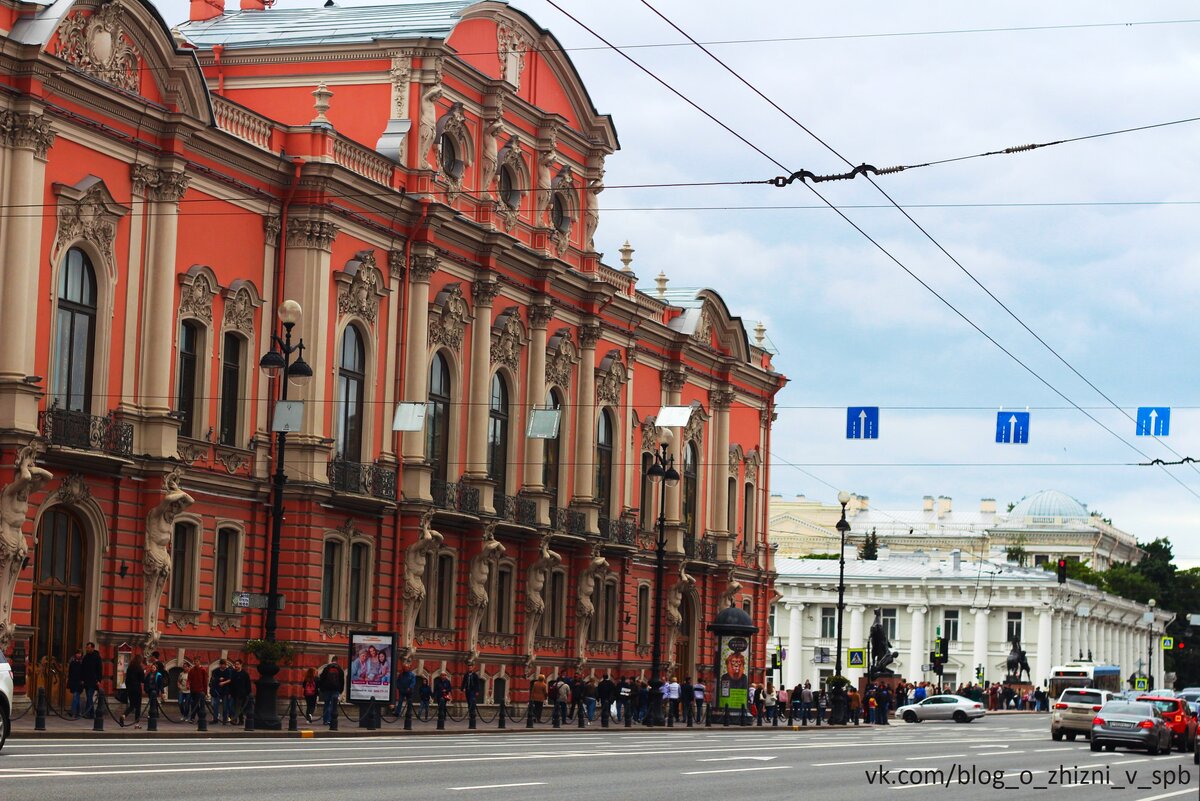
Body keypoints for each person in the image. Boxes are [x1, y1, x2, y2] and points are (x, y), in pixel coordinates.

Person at [318, 657, 345, 726]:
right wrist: (340, 690)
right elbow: (342, 681)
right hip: (335, 689)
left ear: (331, 661)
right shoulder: (340, 669)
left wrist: (322, 689)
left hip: (327, 689)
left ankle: (325, 720)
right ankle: (331, 720)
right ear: (337, 661)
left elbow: (322, 678)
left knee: (327, 704)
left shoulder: (326, 668)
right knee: (333, 705)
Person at [123, 653, 145, 729]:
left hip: (130, 689)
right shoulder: (140, 668)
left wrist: (128, 687)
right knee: (138, 706)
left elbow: (126, 679)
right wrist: (144, 673)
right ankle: (137, 724)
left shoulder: (130, 668)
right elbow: (142, 680)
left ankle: (124, 715)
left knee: (132, 705)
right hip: (137, 689)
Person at [81, 641, 102, 718]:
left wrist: (99, 680)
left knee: (89, 696)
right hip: (86, 681)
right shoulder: (85, 657)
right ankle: (91, 714)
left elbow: (99, 669)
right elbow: (83, 669)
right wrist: (82, 679)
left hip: (94, 681)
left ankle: (88, 713)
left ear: (93, 648)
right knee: (88, 697)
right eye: (87, 648)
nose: (87, 649)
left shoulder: (97, 657)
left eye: (89, 648)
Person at [66, 649, 84, 719]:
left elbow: (83, 672)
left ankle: (73, 712)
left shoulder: (82, 663)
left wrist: (82, 680)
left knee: (75, 696)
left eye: (80, 654)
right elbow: (70, 673)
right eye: (77, 653)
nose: (78, 655)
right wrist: (68, 680)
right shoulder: (72, 663)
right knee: (77, 697)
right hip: (73, 681)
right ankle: (79, 712)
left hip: (79, 682)